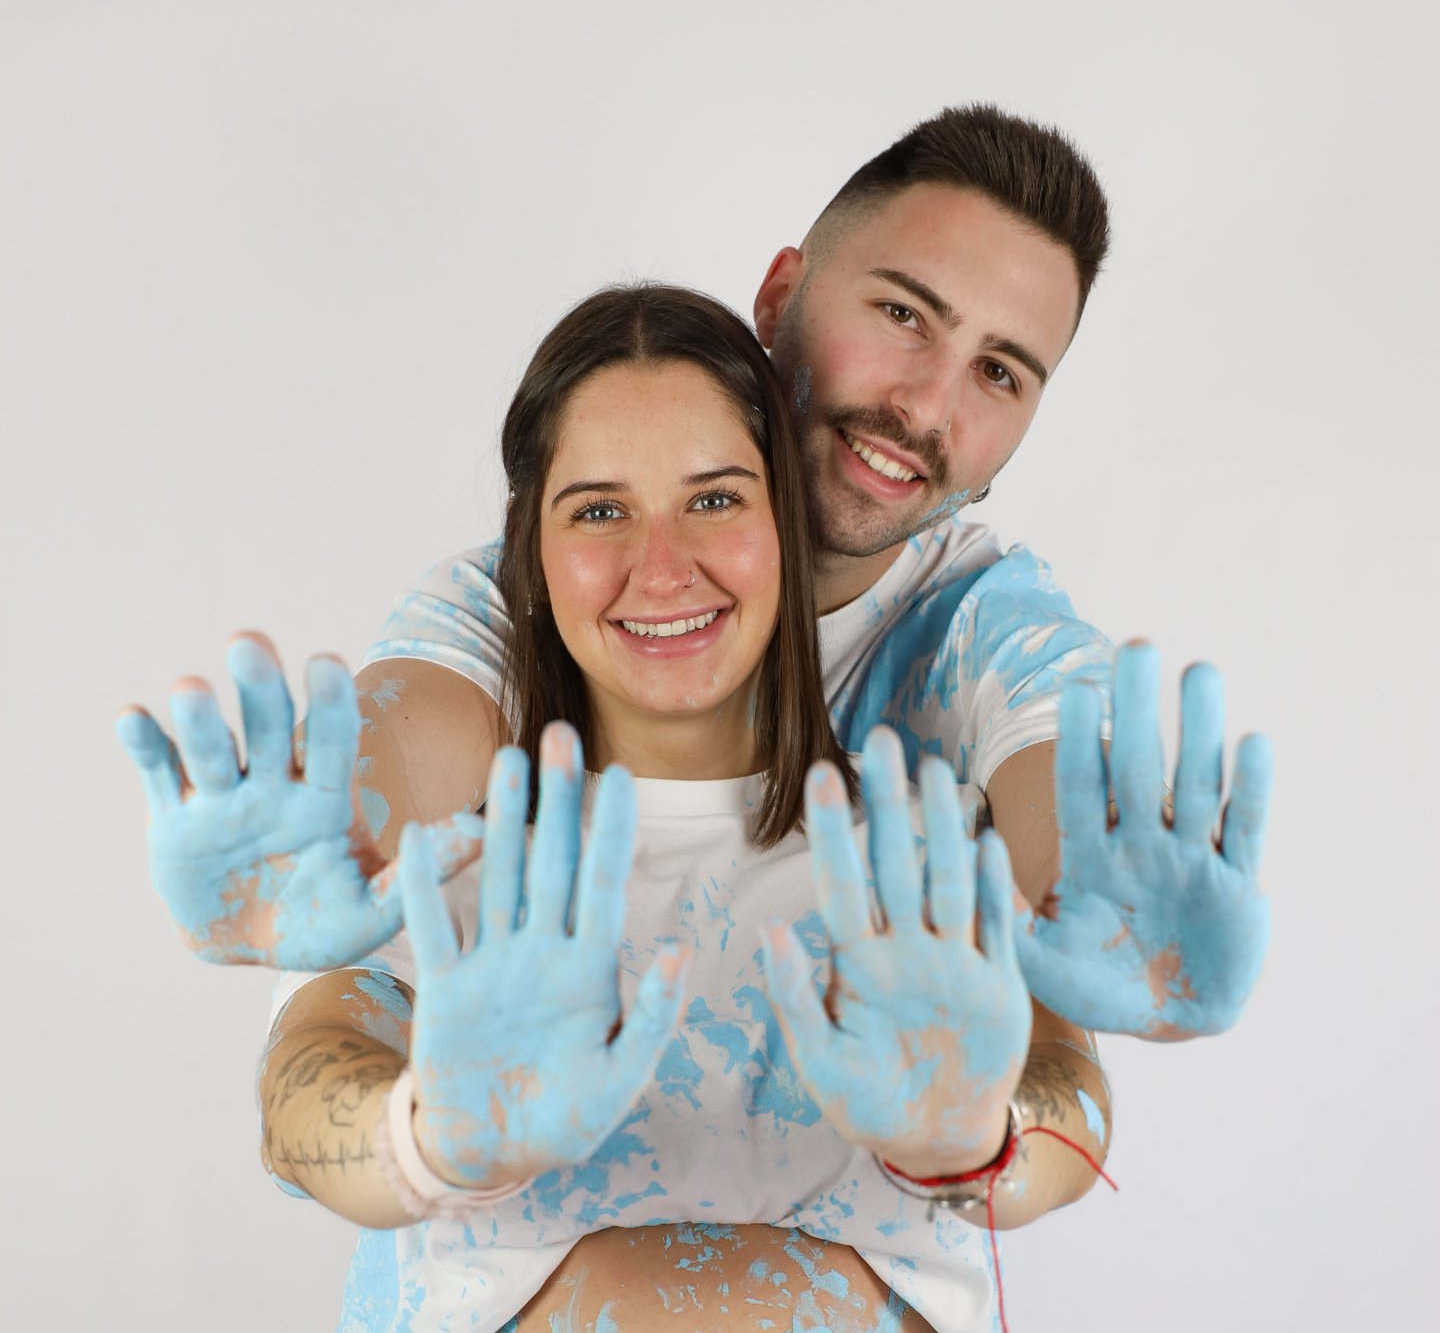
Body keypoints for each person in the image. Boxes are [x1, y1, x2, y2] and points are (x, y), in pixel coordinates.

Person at [257, 283, 1119, 1333]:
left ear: (788, 527)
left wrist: (967, 1130)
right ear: (531, 546)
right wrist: (437, 1130)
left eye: (715, 497)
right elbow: (303, 1102)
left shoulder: (915, 830)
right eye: (599, 509)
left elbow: (1069, 1116)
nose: (661, 563)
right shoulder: (460, 826)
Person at [116, 103, 1274, 1048]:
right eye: (903, 314)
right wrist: (332, 838)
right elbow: (421, 720)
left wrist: (1104, 910)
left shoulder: (989, 625)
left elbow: (1057, 760)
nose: (928, 405)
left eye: (1001, 373)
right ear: (779, 296)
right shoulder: (553, 587)